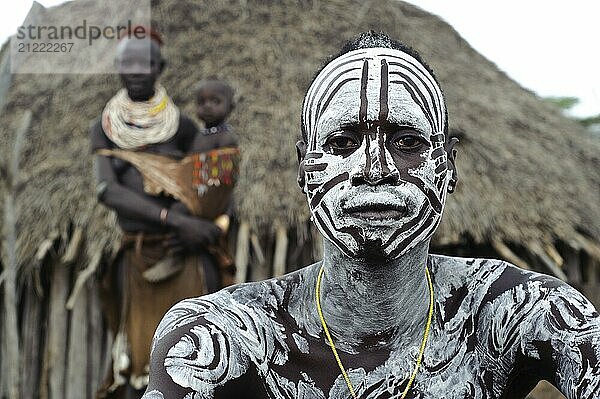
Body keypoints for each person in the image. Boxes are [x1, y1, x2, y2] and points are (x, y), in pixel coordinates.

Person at [142, 31, 600, 399]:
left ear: (447, 168)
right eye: (343, 143)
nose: (375, 170)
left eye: (407, 141)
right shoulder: (224, 339)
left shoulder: (514, 314)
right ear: (305, 169)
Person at [91, 28, 224, 398]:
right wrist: (171, 218)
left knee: (195, 357)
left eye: (145, 62)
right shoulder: (104, 129)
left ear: (160, 66)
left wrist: (189, 220)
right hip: (137, 256)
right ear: (117, 66)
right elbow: (108, 189)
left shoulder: (181, 127)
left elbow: (204, 180)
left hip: (182, 252)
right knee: (137, 361)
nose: (136, 70)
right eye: (127, 62)